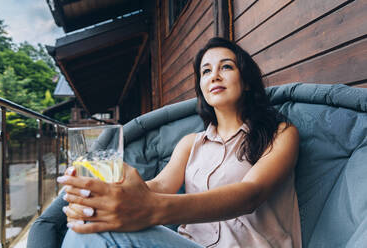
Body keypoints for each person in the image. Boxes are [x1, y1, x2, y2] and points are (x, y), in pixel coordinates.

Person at [58, 37, 301, 247]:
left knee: (97, 230)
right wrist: (110, 194)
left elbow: (250, 195)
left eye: (226, 67)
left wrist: (152, 209)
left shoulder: (280, 133)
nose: (214, 76)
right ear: (201, 87)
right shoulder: (190, 143)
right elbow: (161, 185)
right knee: (87, 224)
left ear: (246, 81)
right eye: (206, 71)